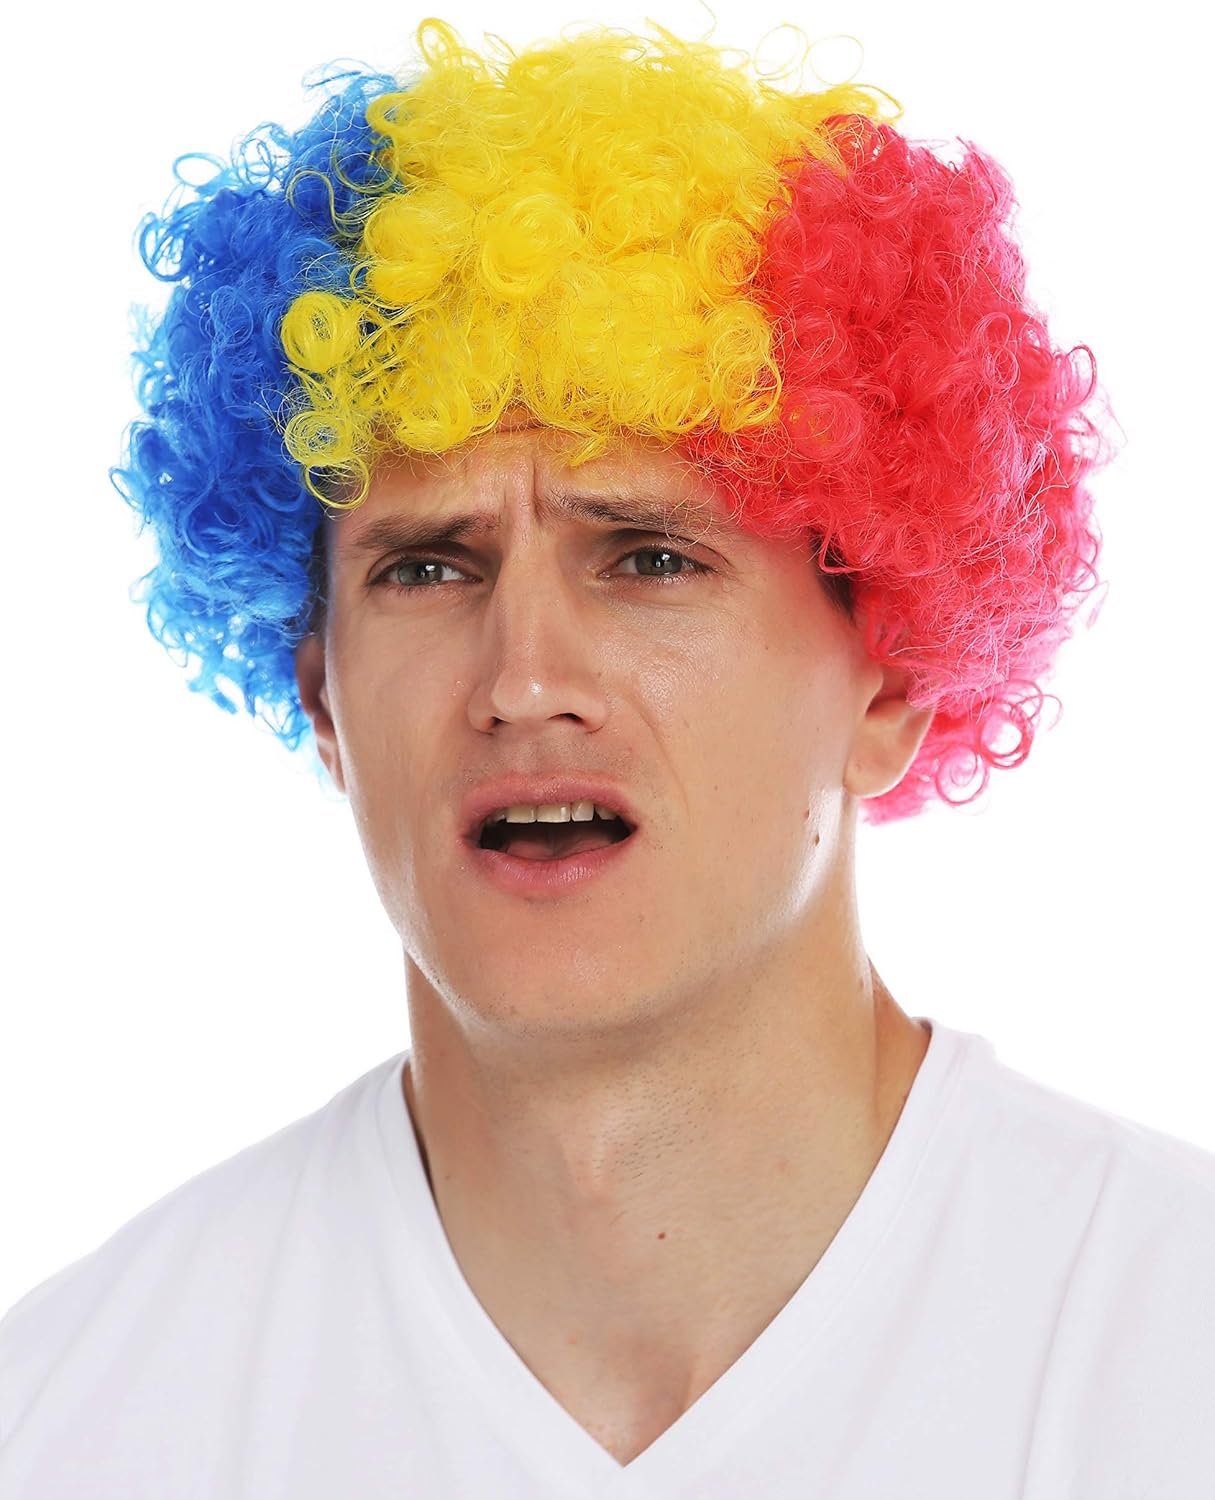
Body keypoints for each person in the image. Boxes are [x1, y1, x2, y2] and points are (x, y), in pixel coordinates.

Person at [2, 17, 1211, 1499]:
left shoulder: (1170, 1352)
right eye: (428, 569)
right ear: (321, 695)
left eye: (647, 558)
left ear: (890, 674)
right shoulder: (71, 1422)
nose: (522, 682)